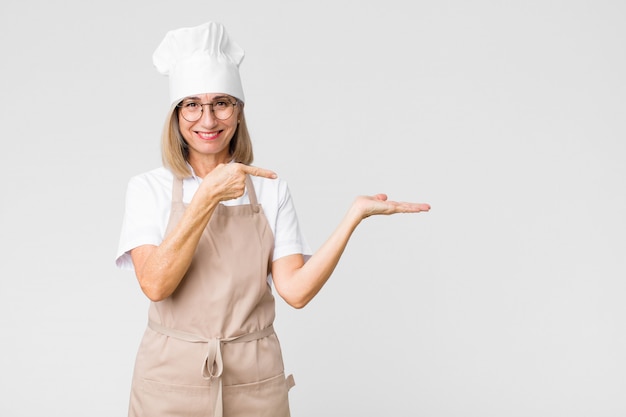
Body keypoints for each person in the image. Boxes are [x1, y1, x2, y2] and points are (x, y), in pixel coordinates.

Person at [115, 21, 430, 417]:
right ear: (177, 115)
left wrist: (353, 217)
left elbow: (295, 291)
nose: (208, 120)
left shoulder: (270, 190)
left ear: (239, 111)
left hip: (254, 377)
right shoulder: (148, 189)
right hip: (169, 379)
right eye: (192, 104)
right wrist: (209, 194)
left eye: (222, 103)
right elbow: (156, 284)